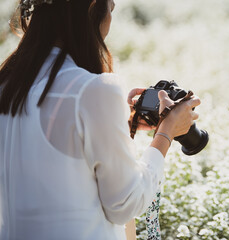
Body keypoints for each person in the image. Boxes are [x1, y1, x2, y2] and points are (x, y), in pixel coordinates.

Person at [0, 0, 201, 239]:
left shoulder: (7, 84)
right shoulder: (91, 90)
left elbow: (52, 163)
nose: (113, 4)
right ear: (91, 6)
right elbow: (125, 204)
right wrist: (166, 132)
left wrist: (117, 128)